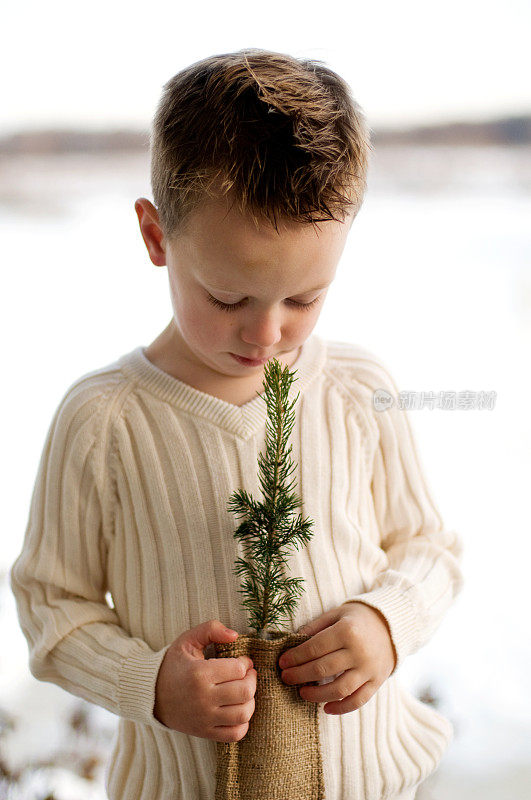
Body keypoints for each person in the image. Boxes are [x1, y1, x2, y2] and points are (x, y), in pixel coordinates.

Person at [10, 48, 464, 800]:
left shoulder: (357, 390)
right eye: (227, 299)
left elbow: (429, 549)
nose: (266, 334)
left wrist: (386, 623)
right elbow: (51, 609)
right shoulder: (105, 420)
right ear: (157, 238)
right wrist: (150, 682)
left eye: (304, 298)